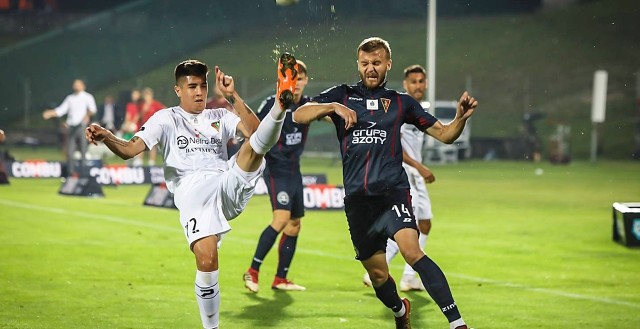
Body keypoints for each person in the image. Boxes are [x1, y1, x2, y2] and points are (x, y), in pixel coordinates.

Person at [85, 54, 320, 329]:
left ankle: (280, 105)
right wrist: (107, 136)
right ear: (178, 90)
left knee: (254, 148)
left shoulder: (219, 115)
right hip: (192, 193)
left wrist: (232, 96)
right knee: (207, 260)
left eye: (203, 86)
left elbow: (256, 132)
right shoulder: (166, 118)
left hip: (225, 182)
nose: (199, 92)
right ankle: (212, 327)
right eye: (192, 87)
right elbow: (129, 150)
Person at [293, 37, 476, 329]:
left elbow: (444, 134)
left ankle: (457, 323)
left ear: (388, 64)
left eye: (377, 62)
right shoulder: (342, 94)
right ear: (358, 64)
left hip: (392, 193)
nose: (371, 68)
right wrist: (332, 108)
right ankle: (400, 311)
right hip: (357, 202)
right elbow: (299, 114)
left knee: (412, 251)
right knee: (378, 276)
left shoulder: (401, 103)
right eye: (365, 63)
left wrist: (460, 119)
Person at [362, 64, 437, 292]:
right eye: (413, 81)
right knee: (409, 226)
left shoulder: (419, 109)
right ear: (405, 84)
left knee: (423, 223)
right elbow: (394, 146)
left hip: (414, 176)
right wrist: (420, 166)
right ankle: (378, 269)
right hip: (405, 174)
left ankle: (408, 276)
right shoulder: (400, 110)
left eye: (421, 81)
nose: (418, 85)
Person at [243, 60, 311, 292]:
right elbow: (255, 128)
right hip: (276, 168)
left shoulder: (308, 105)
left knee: (294, 225)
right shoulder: (272, 103)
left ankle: (280, 279)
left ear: (306, 81)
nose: (298, 83)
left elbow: (329, 116)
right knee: (281, 219)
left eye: (301, 79)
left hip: (295, 169)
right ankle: (252, 272)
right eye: (294, 79)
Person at [43, 79, 97, 175]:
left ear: (83, 86)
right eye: (74, 84)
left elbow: (93, 109)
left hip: (81, 126)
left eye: (78, 84)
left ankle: (83, 172)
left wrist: (87, 115)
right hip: (71, 126)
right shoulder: (70, 98)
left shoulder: (87, 97)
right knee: (70, 151)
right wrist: (50, 113)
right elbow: (61, 110)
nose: (75, 86)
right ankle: (71, 173)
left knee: (83, 150)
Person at [137, 87, 166, 166]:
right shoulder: (142, 105)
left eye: (148, 95)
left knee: (153, 145)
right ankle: (140, 160)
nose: (147, 97)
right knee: (141, 143)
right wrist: (143, 111)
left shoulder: (155, 104)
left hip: (154, 127)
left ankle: (151, 161)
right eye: (146, 95)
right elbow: (138, 117)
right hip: (144, 126)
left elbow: (164, 110)